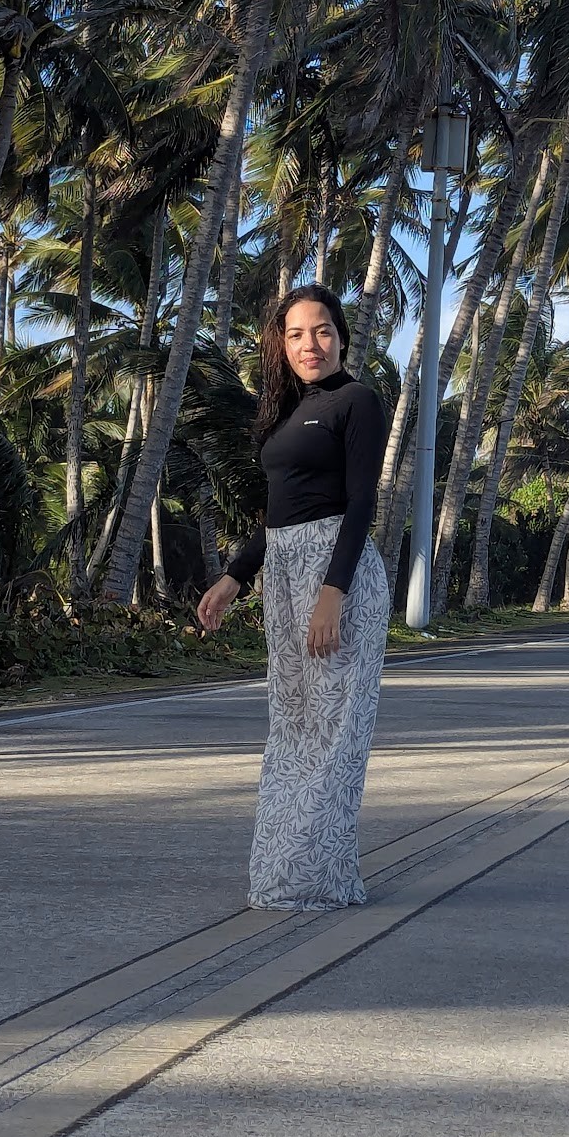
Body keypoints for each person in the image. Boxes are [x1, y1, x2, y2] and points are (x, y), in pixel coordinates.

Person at [197, 284, 390, 912]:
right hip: (283, 573)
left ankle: (314, 874)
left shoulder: (358, 401)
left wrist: (333, 592)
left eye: (323, 330)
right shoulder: (282, 413)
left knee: (335, 729)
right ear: (281, 345)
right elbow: (278, 514)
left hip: (338, 571)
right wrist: (234, 576)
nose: (311, 344)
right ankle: (285, 868)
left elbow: (360, 502)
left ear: (342, 335)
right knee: (293, 728)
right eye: (297, 334)